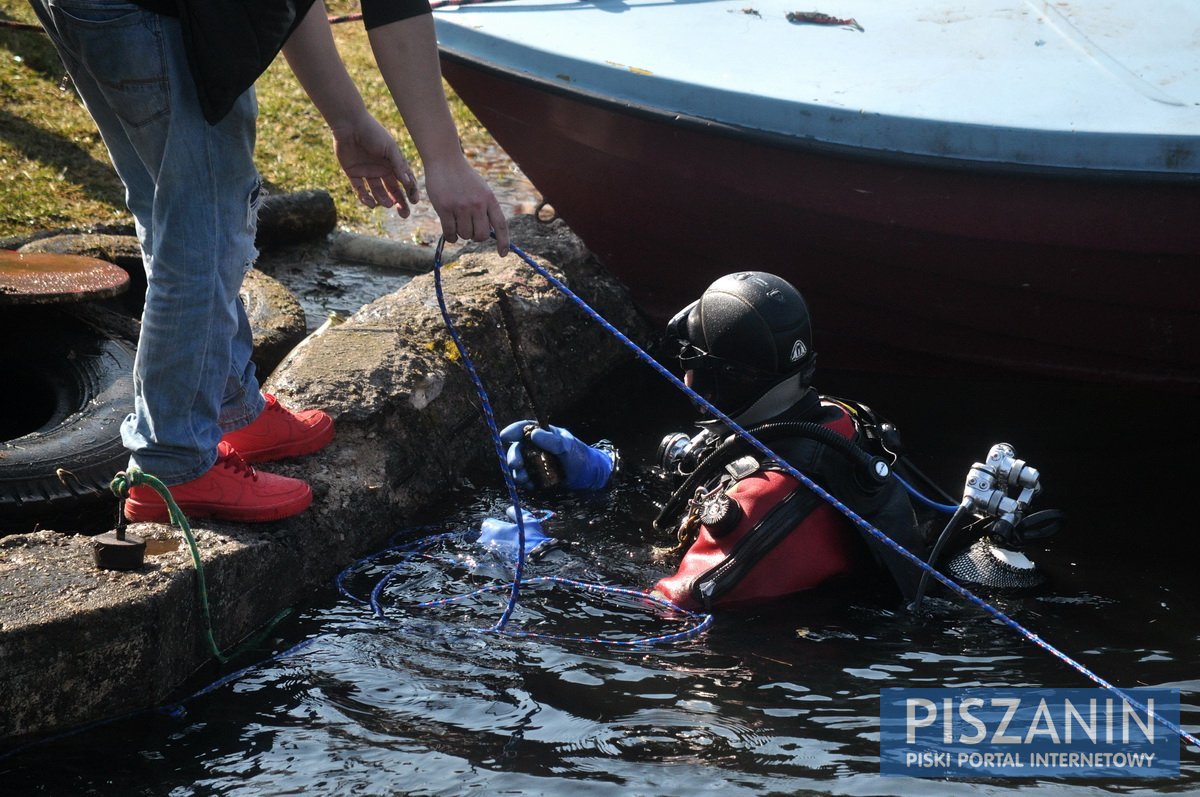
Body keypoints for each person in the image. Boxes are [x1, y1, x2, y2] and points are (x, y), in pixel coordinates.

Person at [27, 0, 508, 523]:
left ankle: (229, 408)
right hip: (158, 13)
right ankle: (174, 461)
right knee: (205, 230)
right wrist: (445, 161)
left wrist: (349, 120)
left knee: (168, 200)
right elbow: (396, 7)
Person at [490, 272, 1058, 611]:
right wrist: (605, 474)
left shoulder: (760, 504)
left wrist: (537, 558)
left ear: (718, 377)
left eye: (691, 362)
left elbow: (668, 610)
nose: (683, 377)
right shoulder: (841, 423)